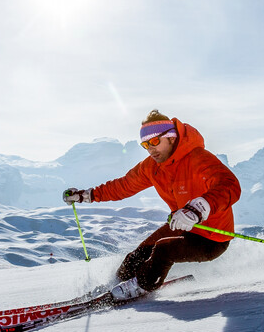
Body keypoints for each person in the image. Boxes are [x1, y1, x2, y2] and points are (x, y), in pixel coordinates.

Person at [63, 110, 242, 301]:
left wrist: (198, 209)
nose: (151, 149)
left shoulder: (198, 158)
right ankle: (114, 286)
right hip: (182, 227)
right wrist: (86, 196)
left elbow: (229, 185)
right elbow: (123, 186)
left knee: (163, 251)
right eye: (146, 145)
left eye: (155, 142)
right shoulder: (152, 167)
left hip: (212, 237)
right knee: (136, 256)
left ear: (171, 138)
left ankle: (141, 286)